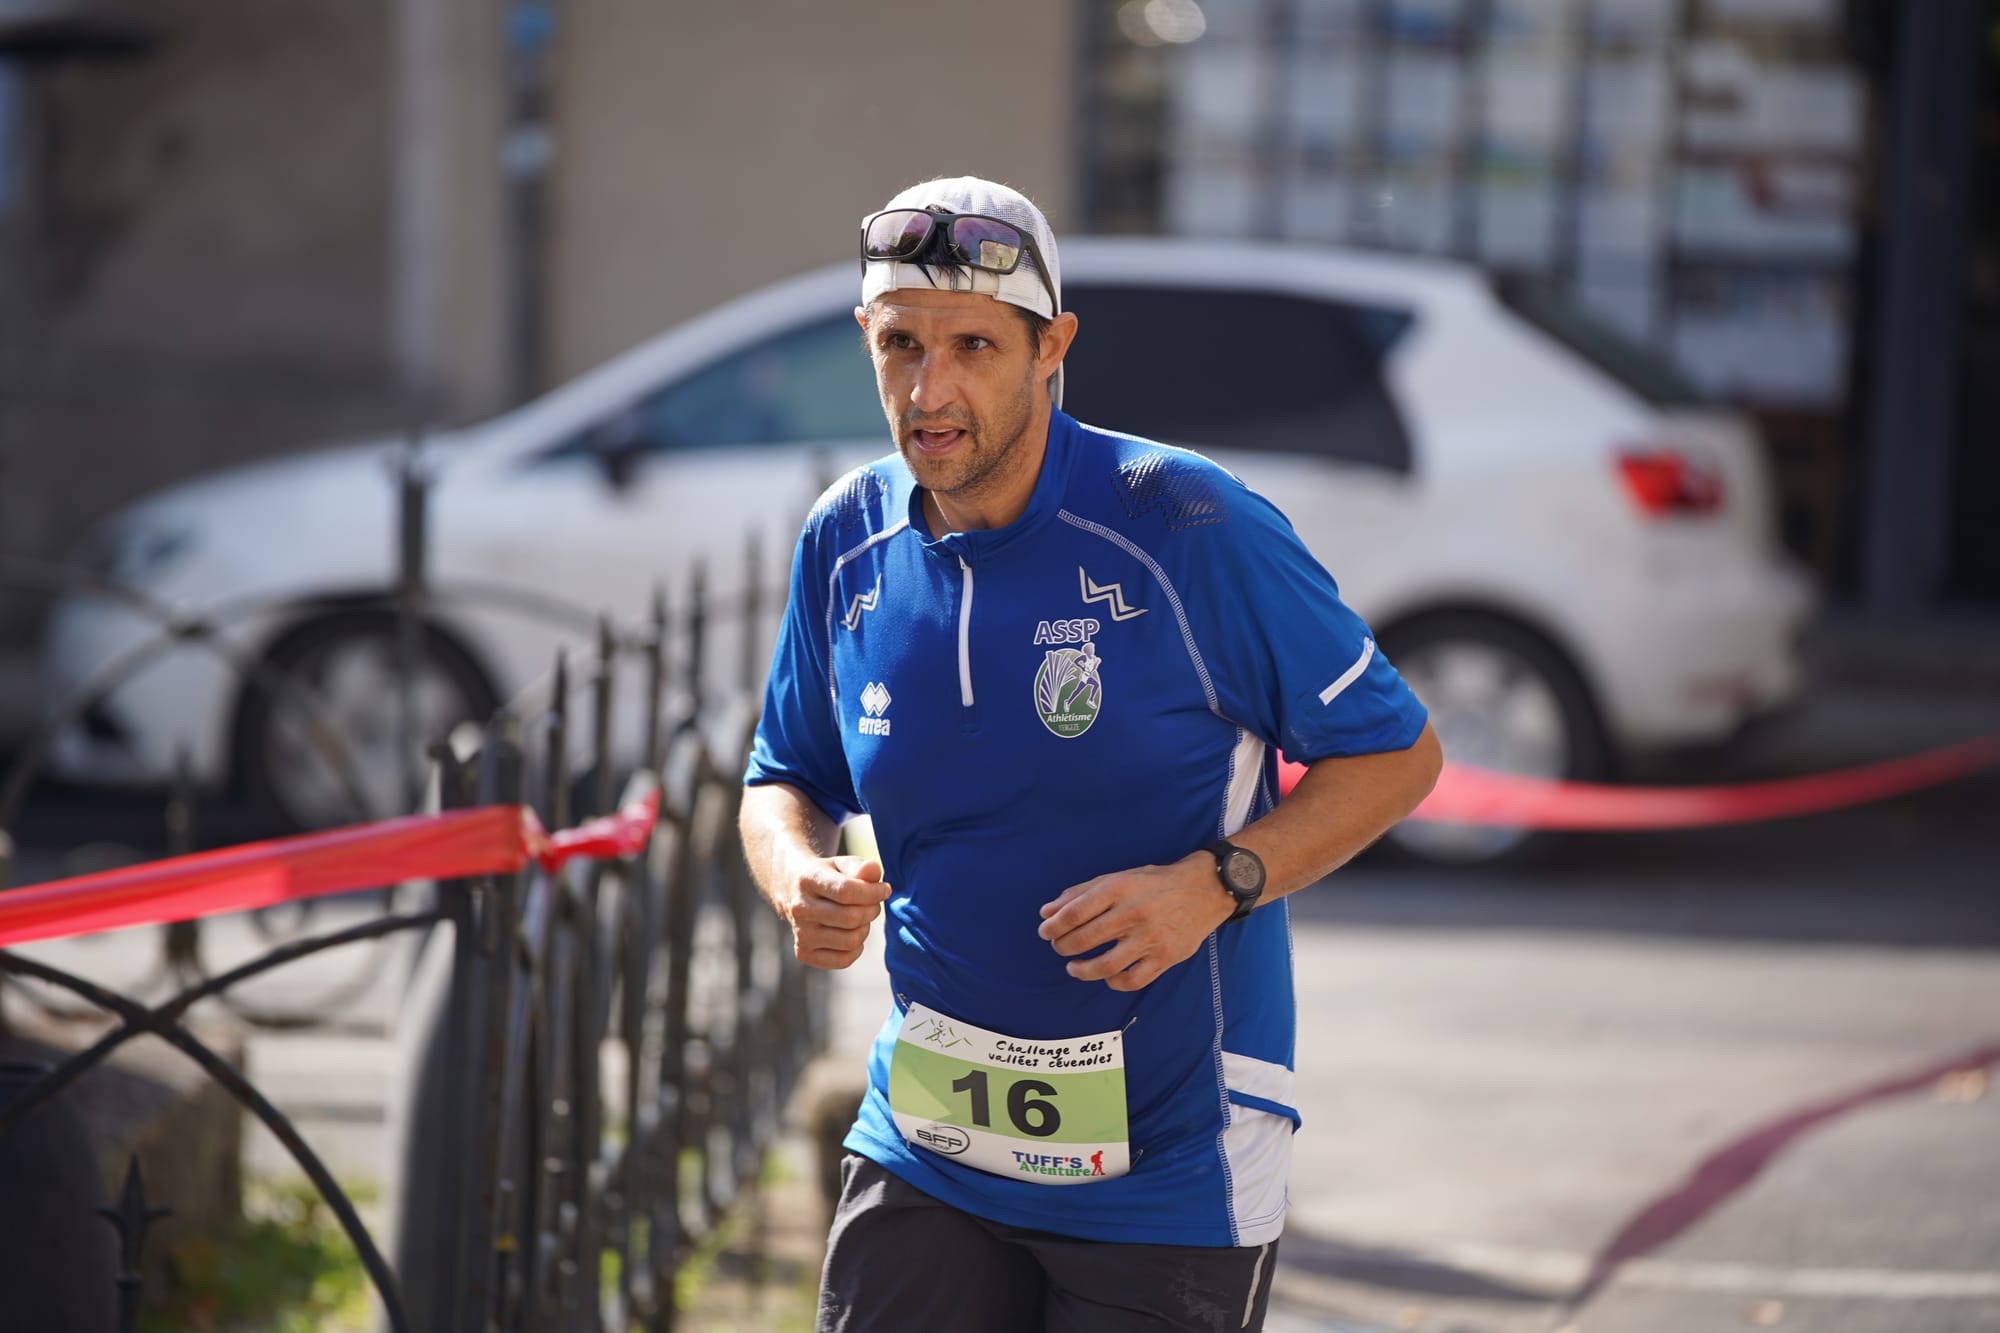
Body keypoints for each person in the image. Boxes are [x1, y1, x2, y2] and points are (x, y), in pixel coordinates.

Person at [739, 176, 1442, 1333]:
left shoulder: (1184, 521)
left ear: (1049, 347)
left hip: (1170, 1162)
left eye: (972, 344)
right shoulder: (845, 537)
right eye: (901, 343)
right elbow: (783, 778)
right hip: (930, 1137)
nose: (931, 388)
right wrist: (796, 877)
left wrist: (1214, 885)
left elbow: (1396, 757)